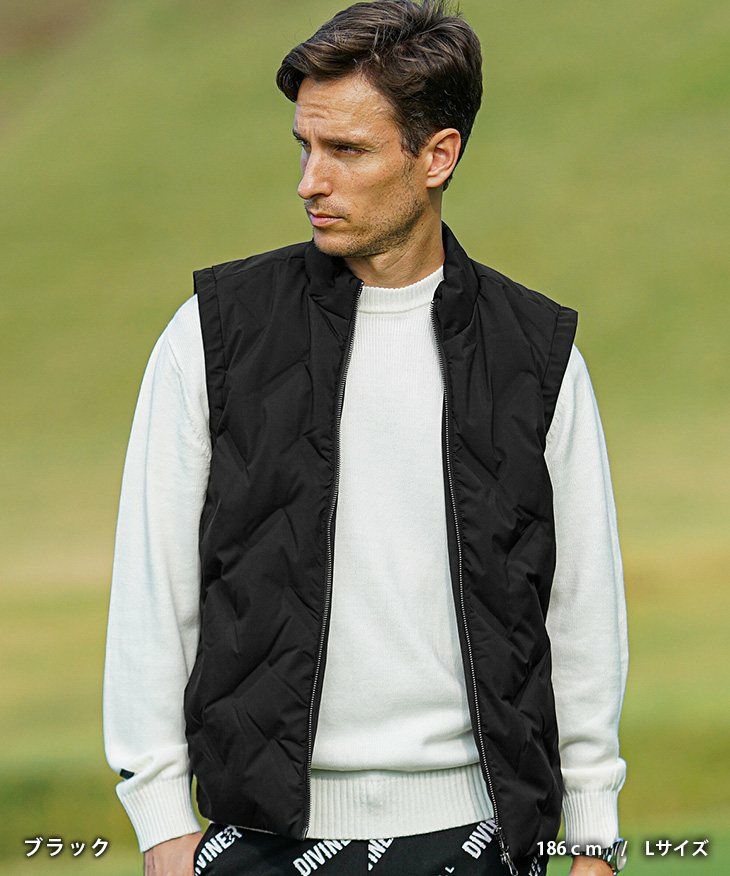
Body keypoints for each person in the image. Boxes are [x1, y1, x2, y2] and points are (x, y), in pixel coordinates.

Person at [102, 2, 629, 874]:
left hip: (484, 837)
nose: (311, 181)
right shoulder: (215, 334)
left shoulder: (536, 355)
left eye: (346, 150)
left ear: (437, 156)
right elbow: (154, 589)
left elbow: (581, 612)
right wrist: (160, 819)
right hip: (260, 841)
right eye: (304, 147)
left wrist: (594, 838)